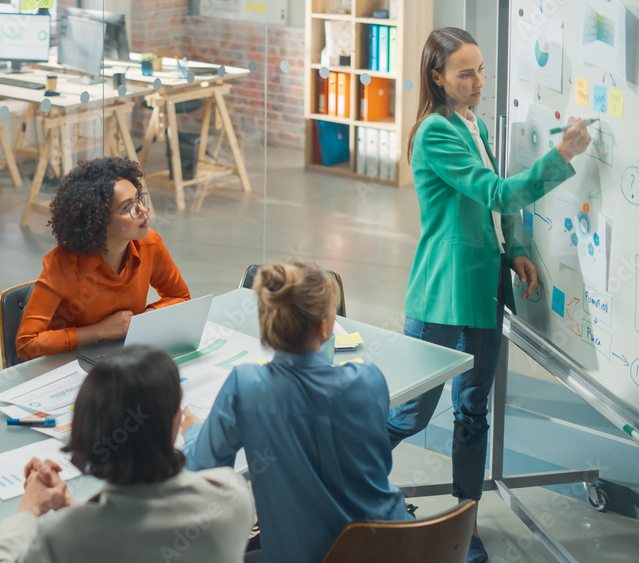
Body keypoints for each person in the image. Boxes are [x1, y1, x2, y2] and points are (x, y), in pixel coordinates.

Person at [389, 28, 591, 562]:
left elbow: (496, 210)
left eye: (481, 69)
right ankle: (342, 485)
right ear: (438, 77)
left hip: (482, 292)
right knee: (410, 416)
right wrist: (560, 156)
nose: (479, 82)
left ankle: (465, 526)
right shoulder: (436, 133)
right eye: (466, 73)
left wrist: (515, 250)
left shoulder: (471, 123)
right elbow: (497, 190)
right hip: (441, 297)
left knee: (472, 412)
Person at [182, 262, 411, 562]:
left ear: (265, 325)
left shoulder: (246, 387)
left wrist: (192, 430)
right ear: (325, 326)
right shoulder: (369, 379)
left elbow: (203, 469)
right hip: (400, 544)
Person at [0, 346, 254, 562]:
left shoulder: (63, 538)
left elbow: (117, 533)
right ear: (174, 422)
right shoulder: (231, 496)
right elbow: (141, 535)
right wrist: (73, 505)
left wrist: (28, 511)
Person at [15, 157, 190, 360]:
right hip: (72, 366)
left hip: (124, 357)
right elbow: (27, 344)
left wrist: (142, 320)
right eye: (127, 207)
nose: (143, 210)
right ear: (97, 221)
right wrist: (100, 331)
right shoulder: (62, 265)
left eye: (139, 199)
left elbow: (181, 298)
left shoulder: (150, 244)